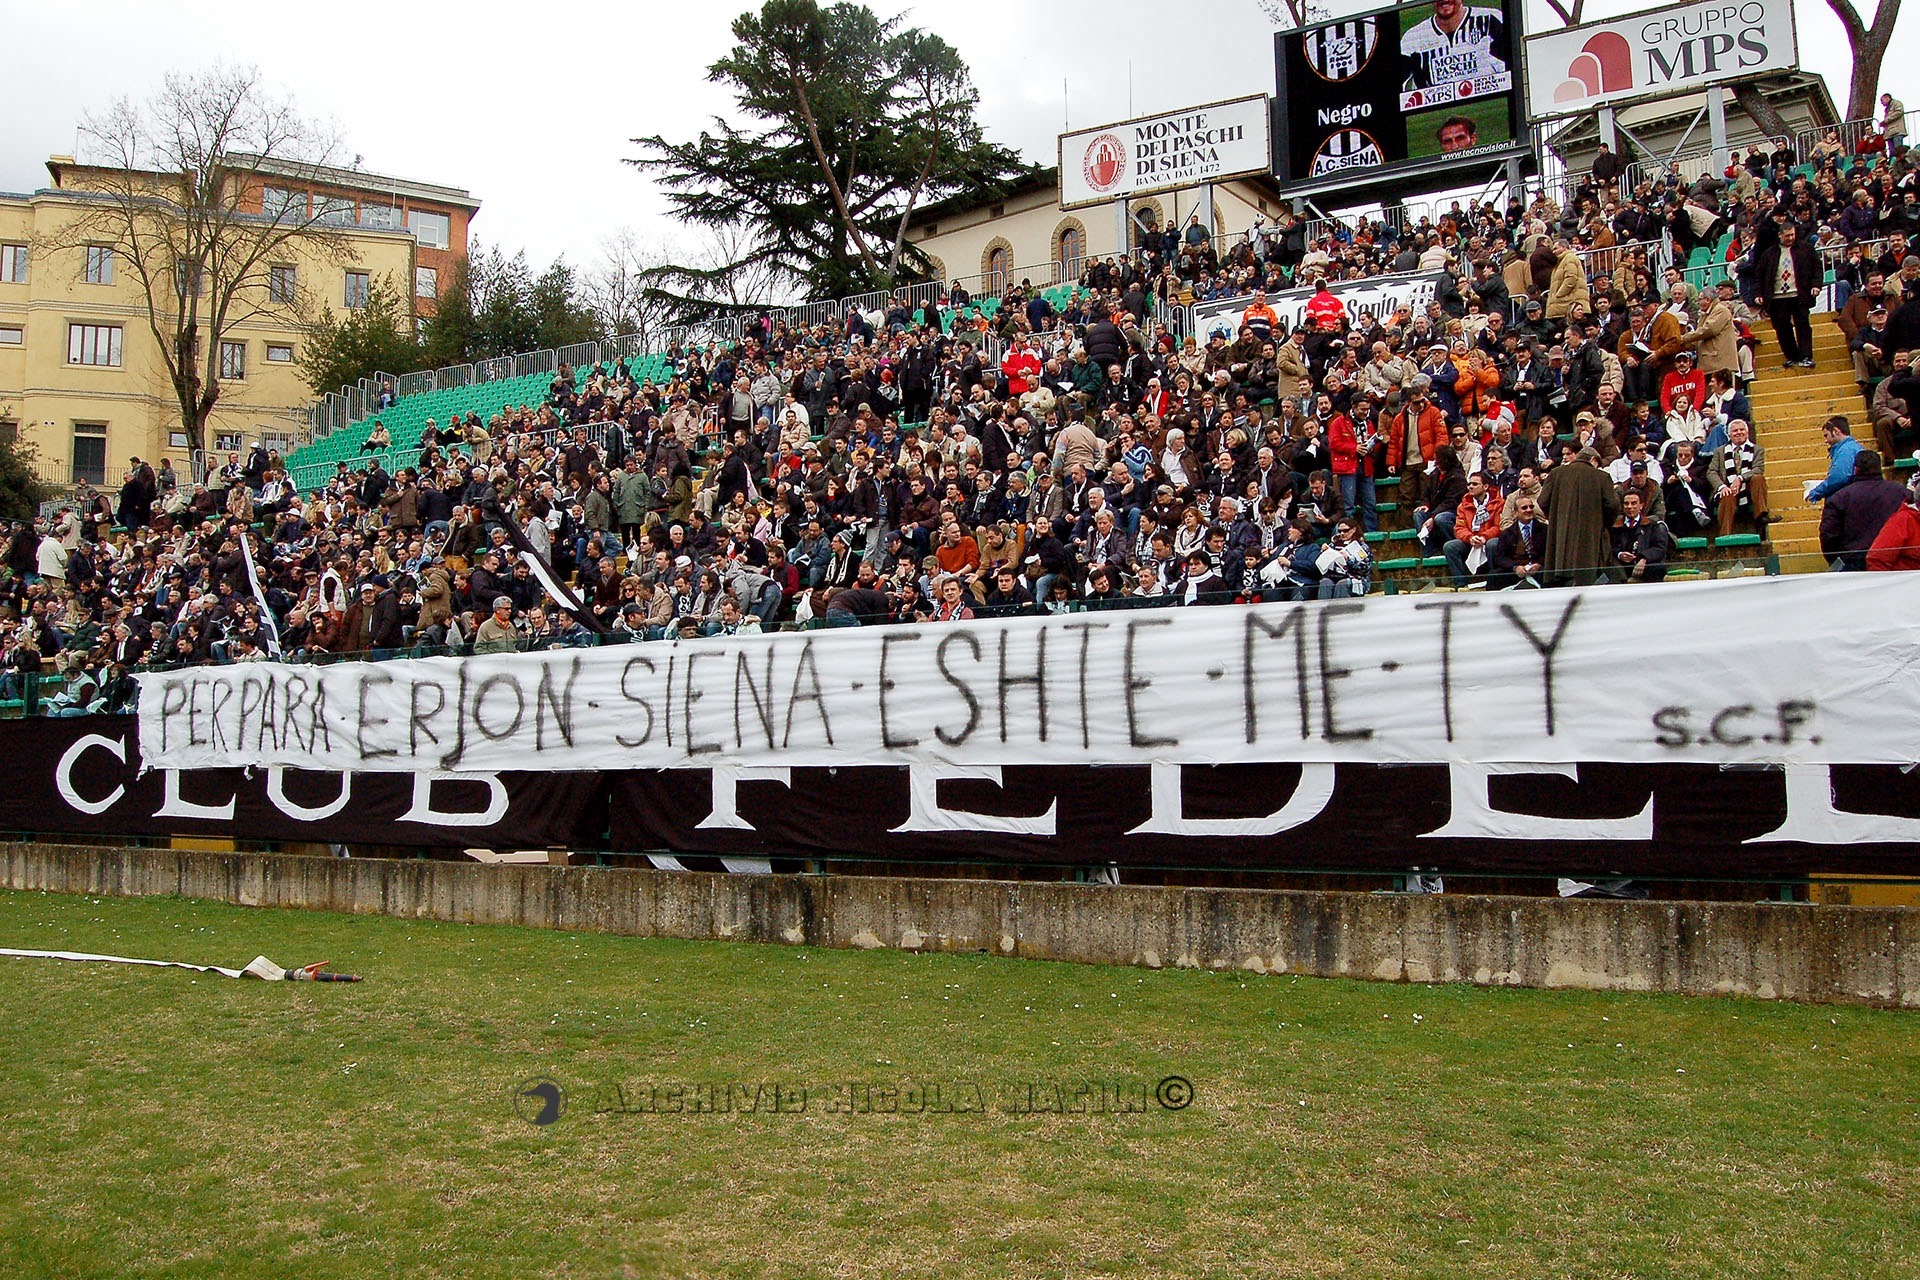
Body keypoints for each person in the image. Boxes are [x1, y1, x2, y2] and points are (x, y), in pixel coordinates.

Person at [1540, 446, 1621, 586]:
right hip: (1590, 539)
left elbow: (1542, 501)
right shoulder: (1602, 477)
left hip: (1560, 539)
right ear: (1593, 460)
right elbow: (1612, 506)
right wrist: (1602, 524)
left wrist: (1555, 518)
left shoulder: (1555, 473)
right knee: (1586, 578)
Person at [1819, 450, 1908, 570]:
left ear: (1855, 469)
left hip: (1853, 562)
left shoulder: (1839, 498)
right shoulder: (1901, 493)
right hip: (1891, 562)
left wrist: (1836, 560)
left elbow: (1828, 535)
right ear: (1880, 467)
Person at [1755, 221, 1820, 368]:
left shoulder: (1806, 249)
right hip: (1777, 298)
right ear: (1780, 235)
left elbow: (1816, 267)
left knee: (1803, 326)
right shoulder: (1769, 253)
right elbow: (1760, 275)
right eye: (1787, 235)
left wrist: (1816, 285)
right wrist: (1759, 293)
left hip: (1799, 295)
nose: (1790, 238)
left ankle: (1806, 356)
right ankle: (1791, 356)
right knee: (1782, 329)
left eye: (1792, 235)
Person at [1611, 488, 1672, 583]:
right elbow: (1610, 547)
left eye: (1633, 503)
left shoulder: (1652, 525)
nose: (1629, 507)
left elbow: (1659, 548)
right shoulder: (1615, 527)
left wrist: (1644, 558)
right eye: (1626, 504)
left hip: (1645, 566)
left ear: (1641, 506)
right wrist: (1620, 554)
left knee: (1659, 568)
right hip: (1622, 566)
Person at [1806, 416, 1865, 503]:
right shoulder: (1851, 447)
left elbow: (1839, 477)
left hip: (1847, 500)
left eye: (1826, 435)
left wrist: (1817, 492)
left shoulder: (1846, 450)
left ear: (1836, 431)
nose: (1826, 441)